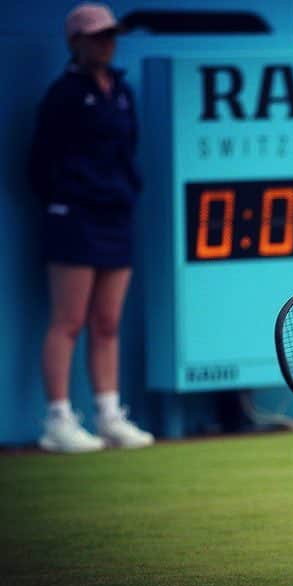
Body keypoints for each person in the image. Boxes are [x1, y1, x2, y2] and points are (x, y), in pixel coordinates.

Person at [28, 3, 153, 453]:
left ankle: (108, 416)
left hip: (115, 216)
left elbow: (127, 151)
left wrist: (124, 193)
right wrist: (69, 200)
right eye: (98, 36)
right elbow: (41, 163)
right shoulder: (63, 95)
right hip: (75, 218)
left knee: (107, 322)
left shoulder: (120, 90)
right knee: (69, 321)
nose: (108, 42)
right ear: (75, 42)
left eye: (111, 34)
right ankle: (57, 421)